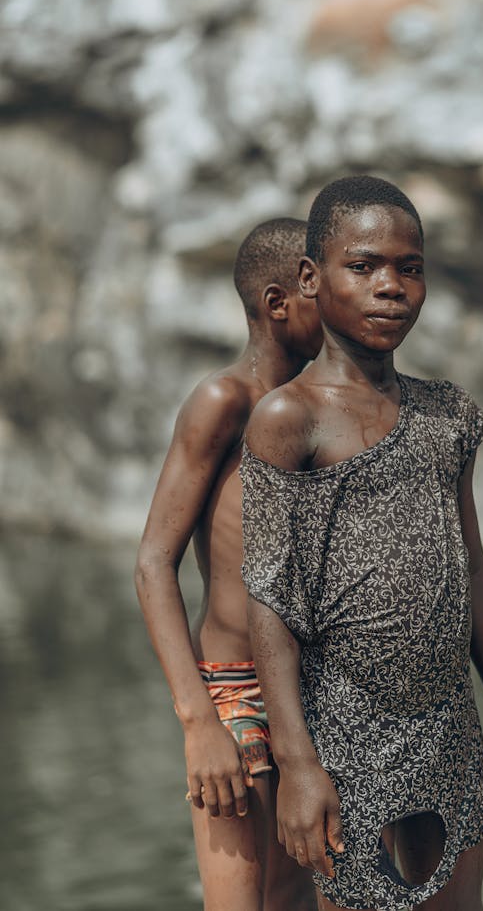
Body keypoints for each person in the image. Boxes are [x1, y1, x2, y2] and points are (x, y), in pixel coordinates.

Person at [241, 176, 483, 911]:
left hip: (447, 717)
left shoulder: (448, 415)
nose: (391, 288)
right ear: (312, 279)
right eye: (364, 266)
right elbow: (269, 601)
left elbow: (472, 570)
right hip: (341, 722)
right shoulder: (291, 417)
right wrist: (298, 762)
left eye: (410, 269)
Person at [134, 218, 322, 911]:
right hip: (234, 692)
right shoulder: (224, 401)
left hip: (312, 688)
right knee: (239, 901)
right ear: (278, 303)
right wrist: (199, 725)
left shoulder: (322, 411)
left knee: (298, 895)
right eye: (320, 291)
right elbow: (154, 562)